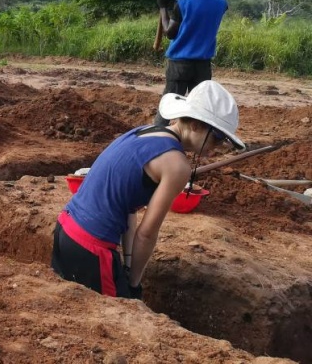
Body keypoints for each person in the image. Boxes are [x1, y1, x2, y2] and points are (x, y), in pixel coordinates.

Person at [52, 80, 245, 299]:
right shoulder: (177, 165)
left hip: (65, 230)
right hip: (91, 247)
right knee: (119, 321)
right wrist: (133, 284)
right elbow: (146, 234)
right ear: (196, 125)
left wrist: (127, 263)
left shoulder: (145, 132)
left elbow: (129, 207)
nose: (218, 147)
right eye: (218, 138)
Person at [155, 0, 228, 126]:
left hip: (179, 64)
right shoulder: (221, 2)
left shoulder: (182, 4)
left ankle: (157, 135)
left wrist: (162, 8)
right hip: (203, 65)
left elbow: (169, 33)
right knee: (198, 107)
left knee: (169, 103)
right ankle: (195, 139)